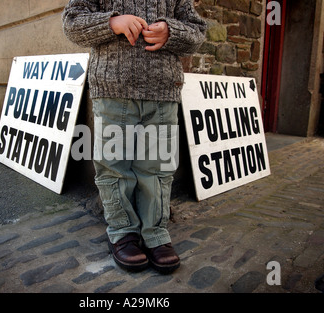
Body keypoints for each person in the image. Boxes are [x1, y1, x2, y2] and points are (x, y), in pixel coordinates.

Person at [62, 0, 206, 274]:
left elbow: (197, 31)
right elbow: (71, 21)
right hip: (113, 91)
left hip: (162, 92)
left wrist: (170, 31)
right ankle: (122, 231)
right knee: (114, 167)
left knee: (157, 168)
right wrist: (111, 23)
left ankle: (155, 233)